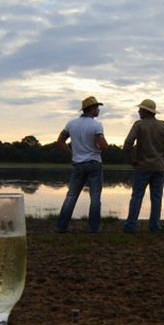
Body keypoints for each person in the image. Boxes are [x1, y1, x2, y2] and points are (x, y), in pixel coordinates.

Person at [122, 99, 164, 233]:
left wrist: (132, 161)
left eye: (140, 109)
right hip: (159, 167)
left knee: (137, 196)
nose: (138, 111)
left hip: (142, 167)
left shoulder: (139, 125)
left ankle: (131, 225)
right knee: (156, 197)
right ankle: (155, 226)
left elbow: (127, 144)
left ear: (145, 111)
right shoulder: (163, 125)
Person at [55, 96, 108, 233]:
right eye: (97, 108)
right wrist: (103, 146)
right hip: (94, 163)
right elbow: (102, 145)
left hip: (78, 164)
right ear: (91, 109)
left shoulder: (71, 124)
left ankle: (61, 226)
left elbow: (60, 141)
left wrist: (72, 154)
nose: (98, 110)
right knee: (95, 197)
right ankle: (94, 228)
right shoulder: (96, 125)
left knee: (71, 196)